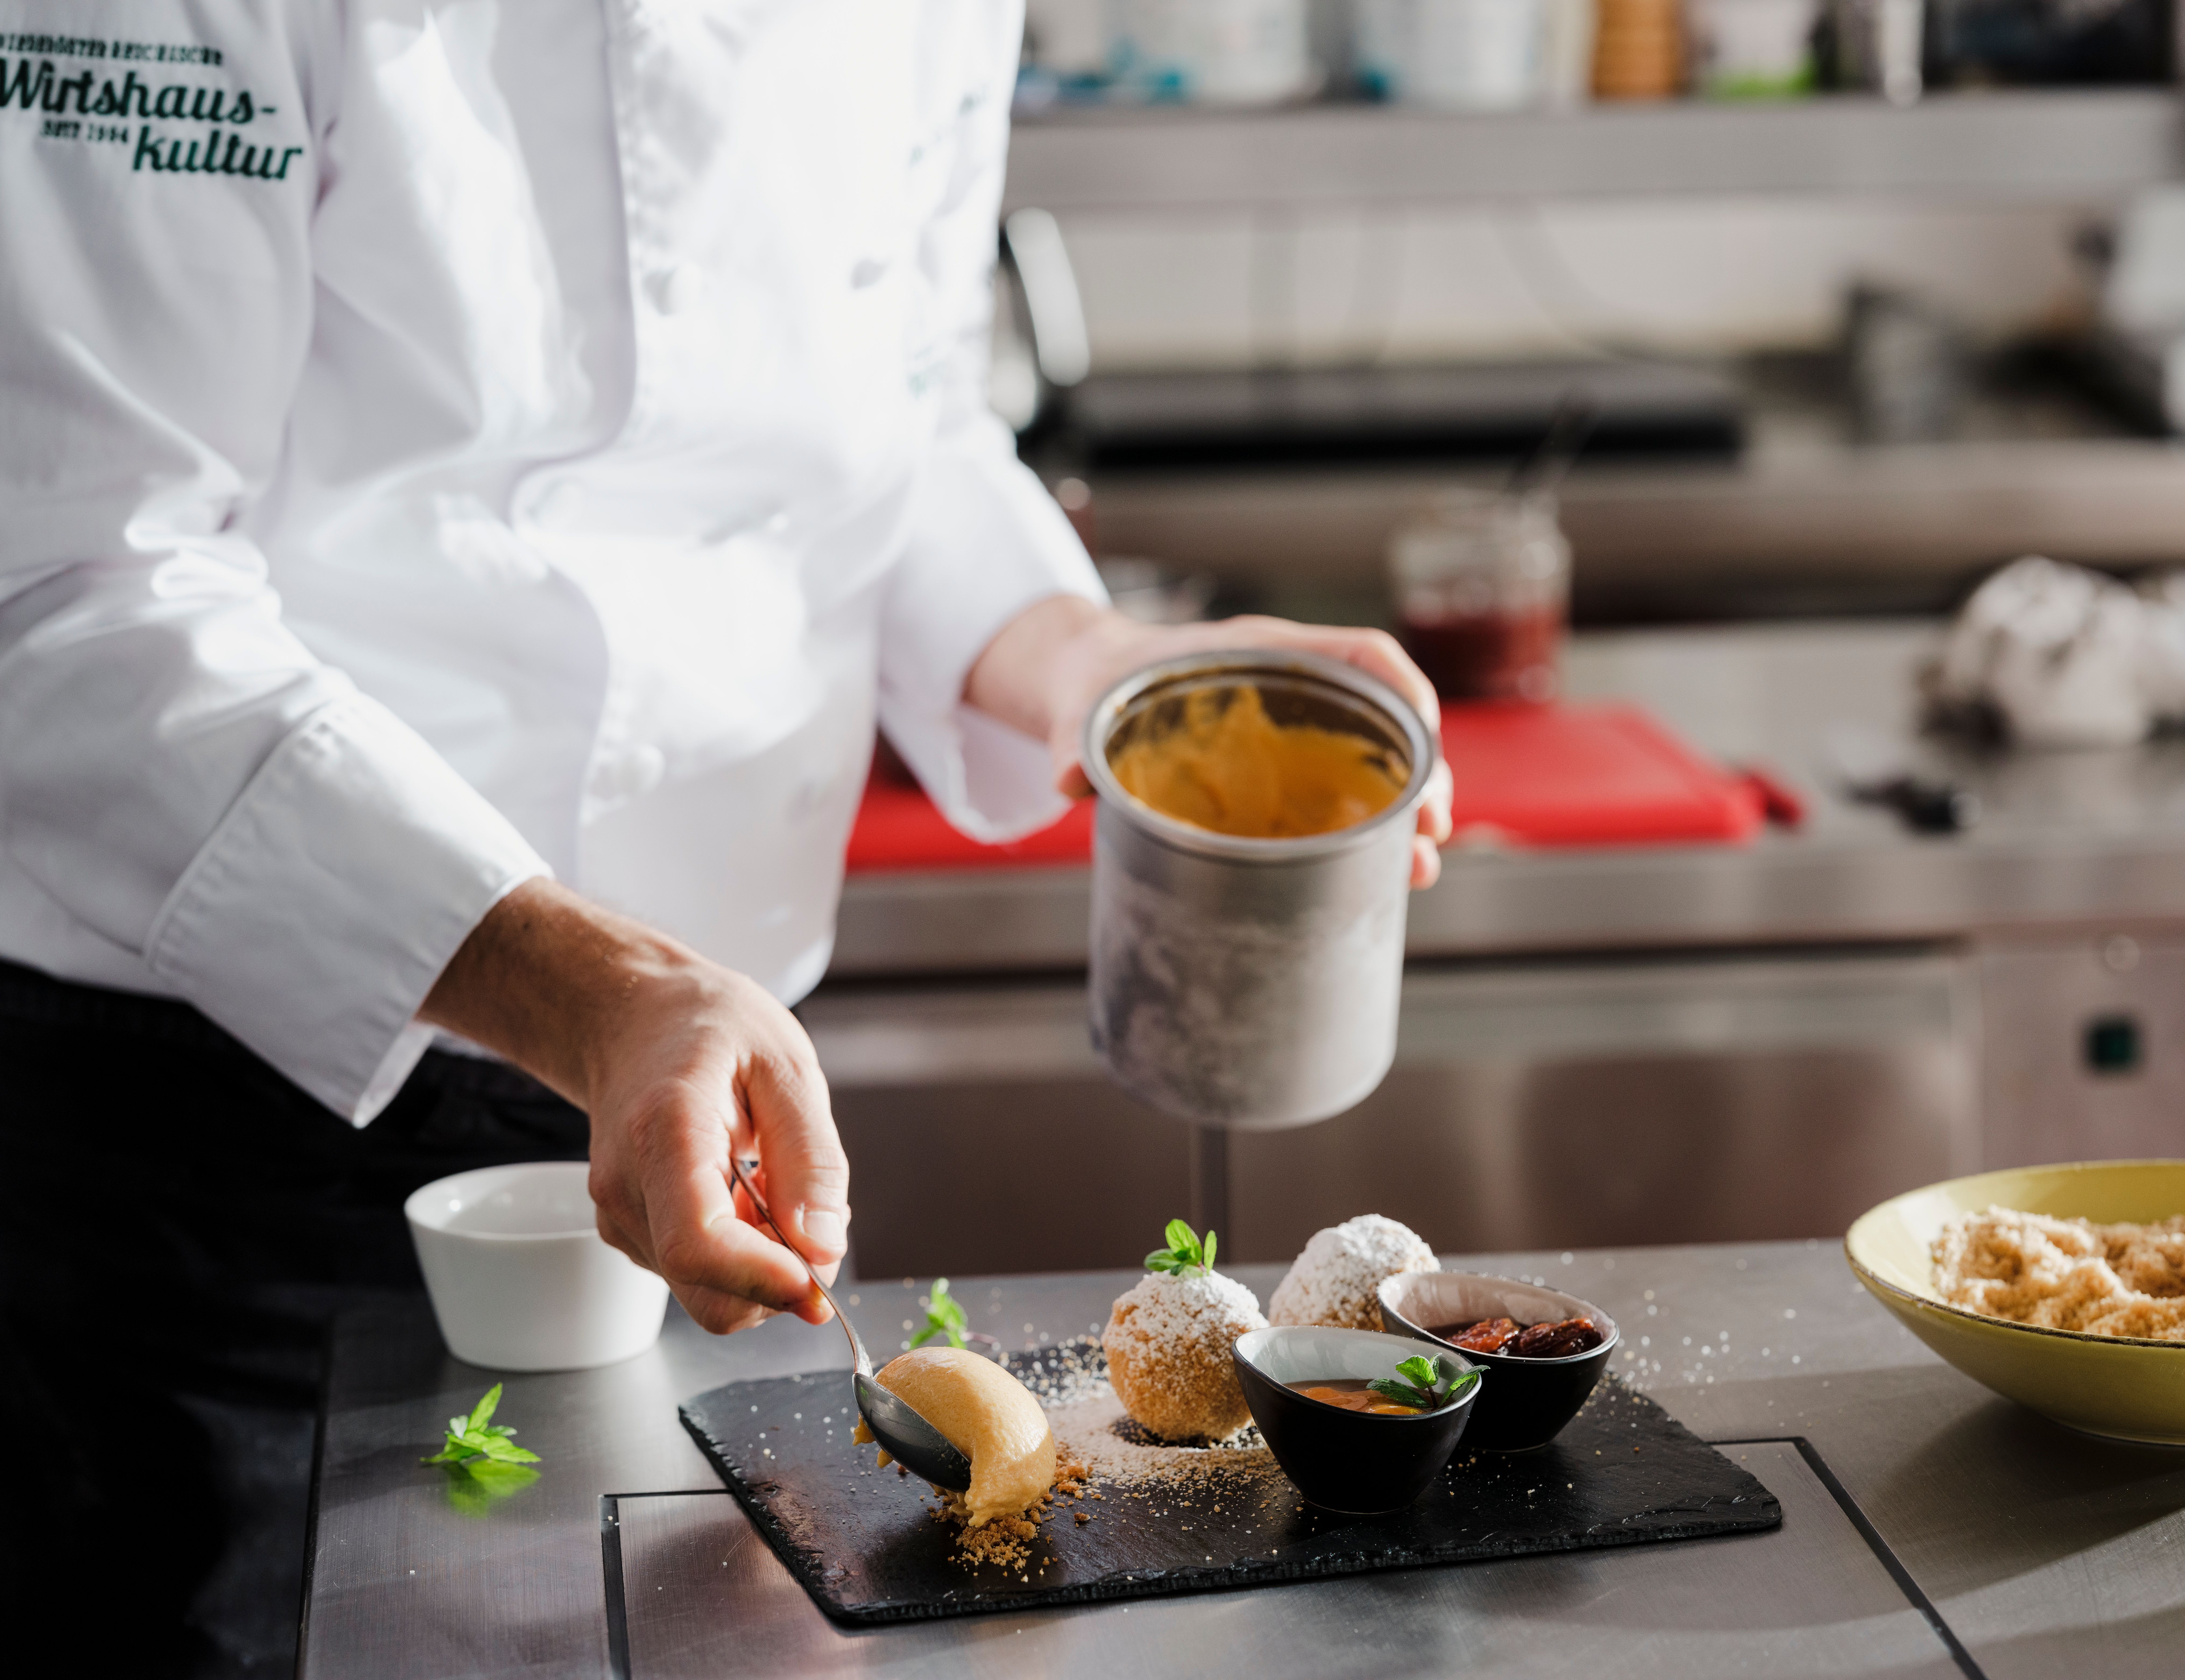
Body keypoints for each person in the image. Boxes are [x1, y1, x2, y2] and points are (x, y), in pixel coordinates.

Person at [0, 5, 1450, 1672]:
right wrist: (588, 984)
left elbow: (893, 418)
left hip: (708, 1092)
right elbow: (65, 590)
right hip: (219, 1117)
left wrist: (1088, 664)